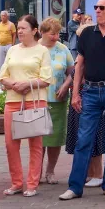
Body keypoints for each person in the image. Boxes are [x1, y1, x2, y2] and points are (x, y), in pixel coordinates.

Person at [59, 0, 105, 201]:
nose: (97, 10)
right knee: (84, 139)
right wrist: (75, 93)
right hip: (90, 91)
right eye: (96, 7)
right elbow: (79, 66)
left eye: (102, 7)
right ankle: (75, 187)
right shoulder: (87, 35)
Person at [0, 15, 53, 197]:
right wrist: (13, 85)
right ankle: (16, 183)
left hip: (35, 101)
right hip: (12, 100)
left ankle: (31, 184)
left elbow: (46, 78)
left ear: (34, 31)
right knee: (10, 144)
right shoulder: (12, 50)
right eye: (19, 28)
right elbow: (2, 75)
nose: (20, 31)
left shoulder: (42, 51)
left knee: (35, 144)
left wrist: (27, 84)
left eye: (23, 28)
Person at [65, 14, 105, 188]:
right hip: (78, 101)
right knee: (81, 139)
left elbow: (84, 76)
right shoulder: (79, 55)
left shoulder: (95, 55)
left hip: (90, 100)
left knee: (94, 137)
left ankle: (98, 174)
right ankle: (88, 173)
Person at [38, 17, 74, 185]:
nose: (56, 37)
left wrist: (66, 85)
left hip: (57, 100)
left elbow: (72, 72)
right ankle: (35, 171)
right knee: (38, 139)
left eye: (58, 33)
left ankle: (50, 171)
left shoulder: (63, 49)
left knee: (55, 138)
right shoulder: (35, 49)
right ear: (42, 32)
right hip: (37, 100)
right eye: (52, 34)